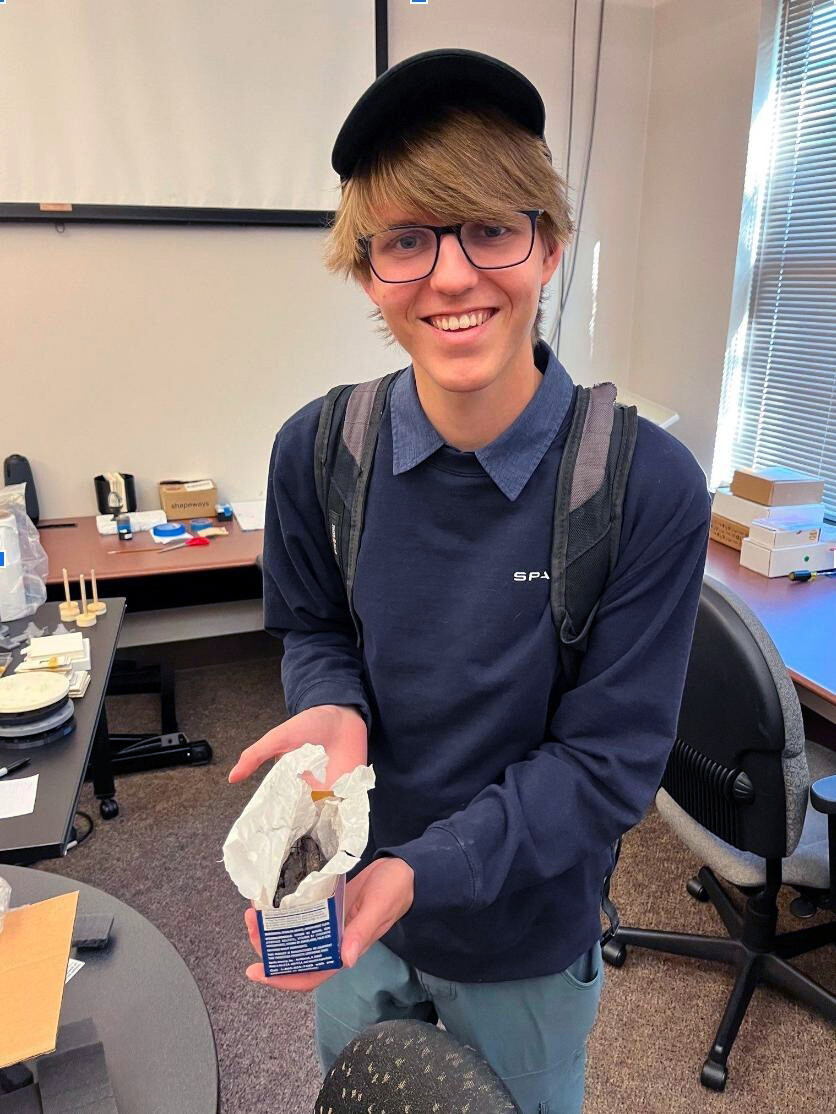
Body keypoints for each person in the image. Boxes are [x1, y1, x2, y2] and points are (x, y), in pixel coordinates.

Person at [229, 48, 712, 1114]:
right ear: (367, 269)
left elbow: (602, 767)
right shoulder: (319, 452)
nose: (450, 276)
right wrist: (331, 712)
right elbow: (312, 628)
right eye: (406, 240)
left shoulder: (641, 488)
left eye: (490, 229)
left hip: (522, 937)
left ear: (547, 248)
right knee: (359, 1092)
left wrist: (418, 869)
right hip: (352, 901)